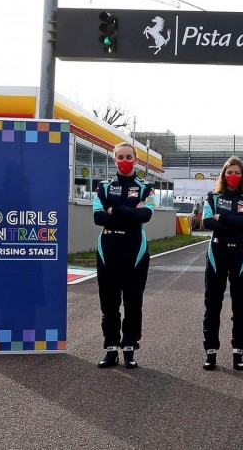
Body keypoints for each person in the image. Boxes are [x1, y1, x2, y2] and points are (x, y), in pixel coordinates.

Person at [93, 142, 156, 369]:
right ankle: (111, 349)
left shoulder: (146, 187)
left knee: (133, 303)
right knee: (109, 304)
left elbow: (145, 215)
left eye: (129, 156)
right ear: (114, 159)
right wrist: (130, 213)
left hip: (135, 252)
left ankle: (129, 348)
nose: (125, 160)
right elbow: (99, 217)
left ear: (136, 160)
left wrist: (115, 209)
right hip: (108, 250)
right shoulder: (103, 186)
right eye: (120, 156)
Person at [201, 156, 243, 371]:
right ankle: (211, 352)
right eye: (229, 172)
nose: (233, 176)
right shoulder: (212, 197)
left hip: (241, 257)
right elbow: (207, 222)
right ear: (223, 174)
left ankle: (238, 352)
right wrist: (236, 219)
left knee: (240, 307)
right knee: (212, 306)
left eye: (237, 172)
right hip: (217, 255)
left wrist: (222, 217)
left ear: (242, 175)